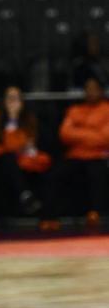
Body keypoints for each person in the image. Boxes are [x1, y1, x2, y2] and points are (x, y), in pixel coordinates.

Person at [0, 85, 48, 219]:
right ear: (4, 101)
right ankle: (25, 195)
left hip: (23, 160)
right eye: (10, 98)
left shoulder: (28, 118)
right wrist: (12, 122)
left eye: (17, 99)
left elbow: (29, 144)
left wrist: (15, 120)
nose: (13, 103)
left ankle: (38, 208)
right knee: (8, 159)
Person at [56, 76, 109, 227]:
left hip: (98, 155)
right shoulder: (75, 110)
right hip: (76, 155)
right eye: (88, 89)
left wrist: (79, 132)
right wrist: (93, 133)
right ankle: (50, 216)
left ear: (101, 91)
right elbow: (65, 134)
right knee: (57, 174)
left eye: (94, 88)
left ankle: (95, 213)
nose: (91, 92)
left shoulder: (107, 109)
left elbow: (106, 137)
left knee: (97, 173)